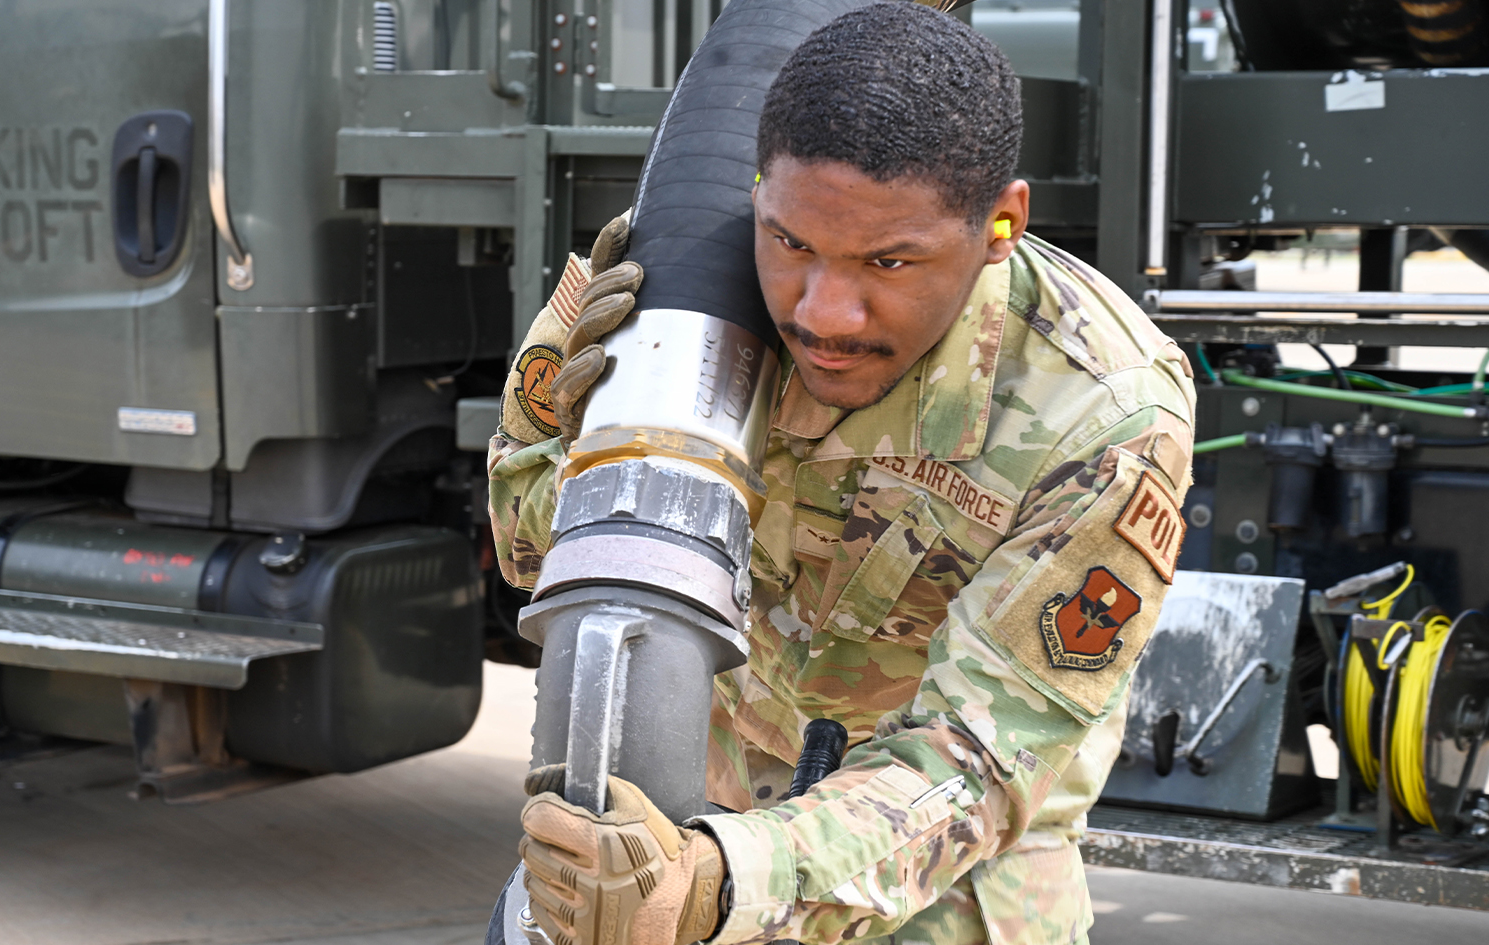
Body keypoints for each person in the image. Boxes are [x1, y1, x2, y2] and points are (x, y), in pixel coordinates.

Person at [488, 5, 1197, 944]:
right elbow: (531, 554)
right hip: (688, 841)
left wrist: (719, 883)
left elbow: (975, 763)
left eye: (889, 260)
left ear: (1001, 224)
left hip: (935, 900)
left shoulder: (1102, 416)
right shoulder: (687, 291)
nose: (823, 311)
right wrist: (569, 431)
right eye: (791, 244)